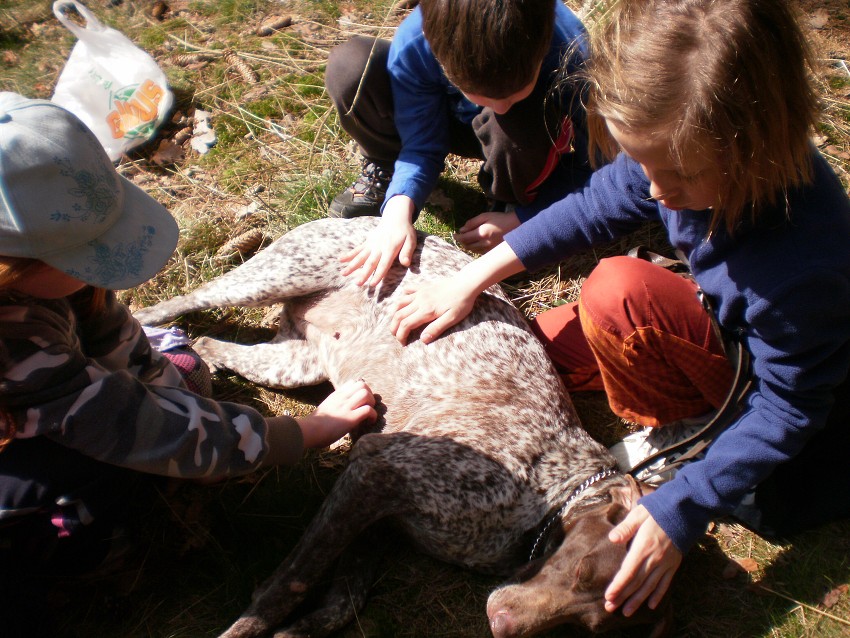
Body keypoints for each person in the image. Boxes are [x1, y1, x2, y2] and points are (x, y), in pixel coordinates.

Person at [388, 0, 850, 620]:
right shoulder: (692, 156)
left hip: (779, 393)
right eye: (647, 165)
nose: (658, 191)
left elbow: (793, 404)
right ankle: (681, 422)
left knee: (614, 293)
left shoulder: (801, 267)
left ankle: (682, 441)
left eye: (676, 175)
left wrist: (684, 504)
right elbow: (608, 198)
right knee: (521, 344)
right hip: (725, 329)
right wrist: (475, 276)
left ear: (754, 143)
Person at [0, 92, 378, 580]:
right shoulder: (13, 343)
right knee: (103, 465)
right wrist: (301, 433)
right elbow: (132, 426)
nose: (104, 275)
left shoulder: (40, 287)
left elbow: (104, 323)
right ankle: (66, 545)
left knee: (181, 376)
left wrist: (165, 383)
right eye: (87, 258)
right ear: (15, 269)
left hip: (45, 387)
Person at [327, 0, 594, 286]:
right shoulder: (417, 40)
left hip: (528, 130)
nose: (500, 107)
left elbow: (599, 163)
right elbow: (420, 142)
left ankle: (511, 194)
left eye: (516, 92)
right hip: (448, 116)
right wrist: (398, 209)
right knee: (351, 65)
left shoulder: (572, 49)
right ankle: (386, 167)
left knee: (513, 119)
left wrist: (525, 217)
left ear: (541, 52)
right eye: (476, 92)